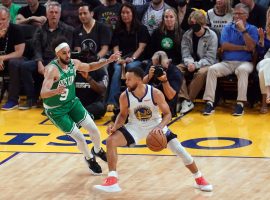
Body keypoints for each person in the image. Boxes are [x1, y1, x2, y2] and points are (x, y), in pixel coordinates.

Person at [94, 67, 212, 192]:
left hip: (155, 125)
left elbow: (167, 114)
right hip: (135, 126)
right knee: (111, 140)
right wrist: (115, 126)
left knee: (180, 150)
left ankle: (199, 178)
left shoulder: (155, 93)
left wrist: (160, 127)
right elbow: (123, 115)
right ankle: (112, 180)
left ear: (139, 80)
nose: (126, 82)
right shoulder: (124, 96)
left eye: (129, 79)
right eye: (126, 79)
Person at [40, 37, 121, 174]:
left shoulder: (74, 63)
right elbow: (43, 93)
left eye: (69, 52)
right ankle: (89, 158)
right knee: (80, 137)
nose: (68, 55)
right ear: (57, 54)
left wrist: (108, 60)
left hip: (72, 103)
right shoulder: (52, 70)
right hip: (56, 110)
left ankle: (97, 149)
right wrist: (56, 91)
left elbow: (89, 67)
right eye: (64, 53)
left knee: (94, 130)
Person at [202, 3, 258, 116]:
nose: (236, 16)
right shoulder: (227, 27)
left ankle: (240, 104)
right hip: (227, 62)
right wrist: (242, 47)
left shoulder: (252, 29)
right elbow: (224, 46)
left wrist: (243, 31)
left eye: (240, 14)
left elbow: (252, 47)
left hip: (245, 62)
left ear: (246, 15)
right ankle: (209, 102)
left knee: (242, 70)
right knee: (212, 69)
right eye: (235, 13)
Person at [106, 3, 150, 111]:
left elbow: (142, 47)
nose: (125, 15)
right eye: (122, 13)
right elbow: (115, 46)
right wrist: (118, 59)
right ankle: (112, 101)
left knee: (131, 68)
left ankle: (133, 98)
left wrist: (133, 58)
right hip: (121, 58)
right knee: (117, 69)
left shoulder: (142, 28)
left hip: (136, 59)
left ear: (133, 14)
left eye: (127, 12)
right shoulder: (117, 29)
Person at [179, 10, 218, 114]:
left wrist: (196, 65)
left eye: (195, 23)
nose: (193, 25)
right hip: (190, 62)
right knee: (177, 69)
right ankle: (183, 98)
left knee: (201, 73)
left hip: (206, 63)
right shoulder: (187, 35)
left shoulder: (212, 36)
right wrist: (189, 63)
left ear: (202, 23)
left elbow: (210, 59)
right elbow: (185, 53)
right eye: (191, 23)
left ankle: (189, 100)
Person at [0, 6, 26, 110]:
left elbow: (19, 52)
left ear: (9, 19)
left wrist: (2, 58)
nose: (0, 22)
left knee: (13, 63)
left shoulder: (16, 29)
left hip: (16, 59)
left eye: (3, 19)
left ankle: (13, 100)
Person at [143, 51, 182, 117]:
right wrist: (148, 76)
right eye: (155, 65)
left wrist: (165, 81)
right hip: (150, 103)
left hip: (167, 104)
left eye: (160, 66)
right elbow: (141, 85)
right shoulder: (151, 66)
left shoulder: (175, 72)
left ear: (167, 63)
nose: (157, 69)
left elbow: (171, 97)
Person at [256, 7, 270, 114]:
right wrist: (261, 38)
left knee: (262, 72)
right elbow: (260, 53)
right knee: (267, 62)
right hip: (262, 61)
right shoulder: (264, 32)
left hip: (264, 67)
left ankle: (264, 102)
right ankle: (268, 93)